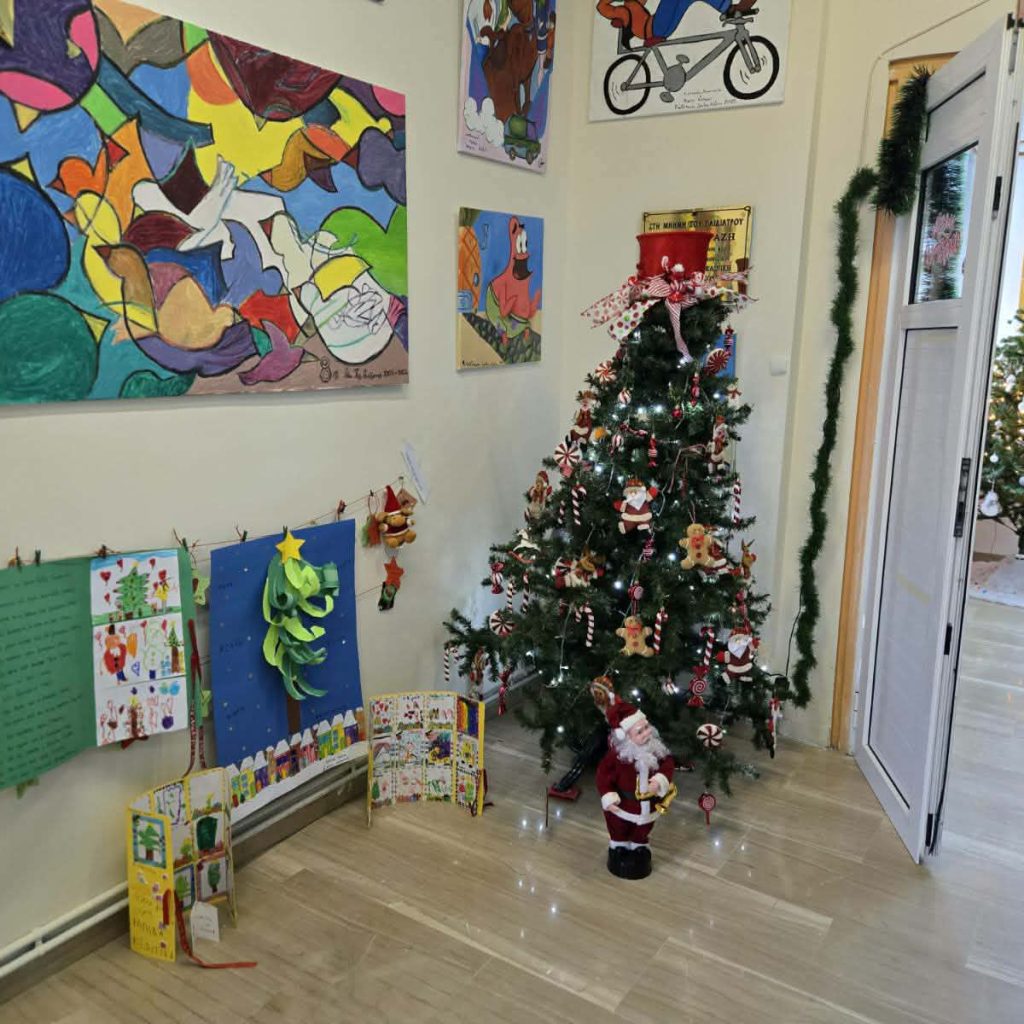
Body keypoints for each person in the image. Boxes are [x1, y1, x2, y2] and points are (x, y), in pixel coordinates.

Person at [596, 701, 676, 879]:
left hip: (650, 803)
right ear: (626, 737)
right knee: (618, 826)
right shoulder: (618, 756)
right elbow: (603, 774)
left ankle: (640, 846)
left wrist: (660, 780)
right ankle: (618, 846)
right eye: (639, 732)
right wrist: (608, 795)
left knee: (644, 827)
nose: (646, 733)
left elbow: (668, 765)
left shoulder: (657, 750)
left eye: (646, 727)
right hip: (623, 804)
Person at [597, 0, 759, 48]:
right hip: (655, 28)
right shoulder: (621, 11)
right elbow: (601, 6)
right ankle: (728, 8)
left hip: (660, 24)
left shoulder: (633, 2)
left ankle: (727, 7)